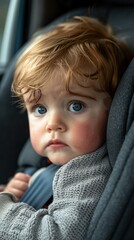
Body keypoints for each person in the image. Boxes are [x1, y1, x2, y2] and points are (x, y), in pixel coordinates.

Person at [0, 16, 132, 239]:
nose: (53, 124)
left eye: (75, 105)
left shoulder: (91, 178)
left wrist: (4, 211)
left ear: (112, 112)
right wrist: (13, 196)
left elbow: (58, 234)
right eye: (40, 109)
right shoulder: (48, 165)